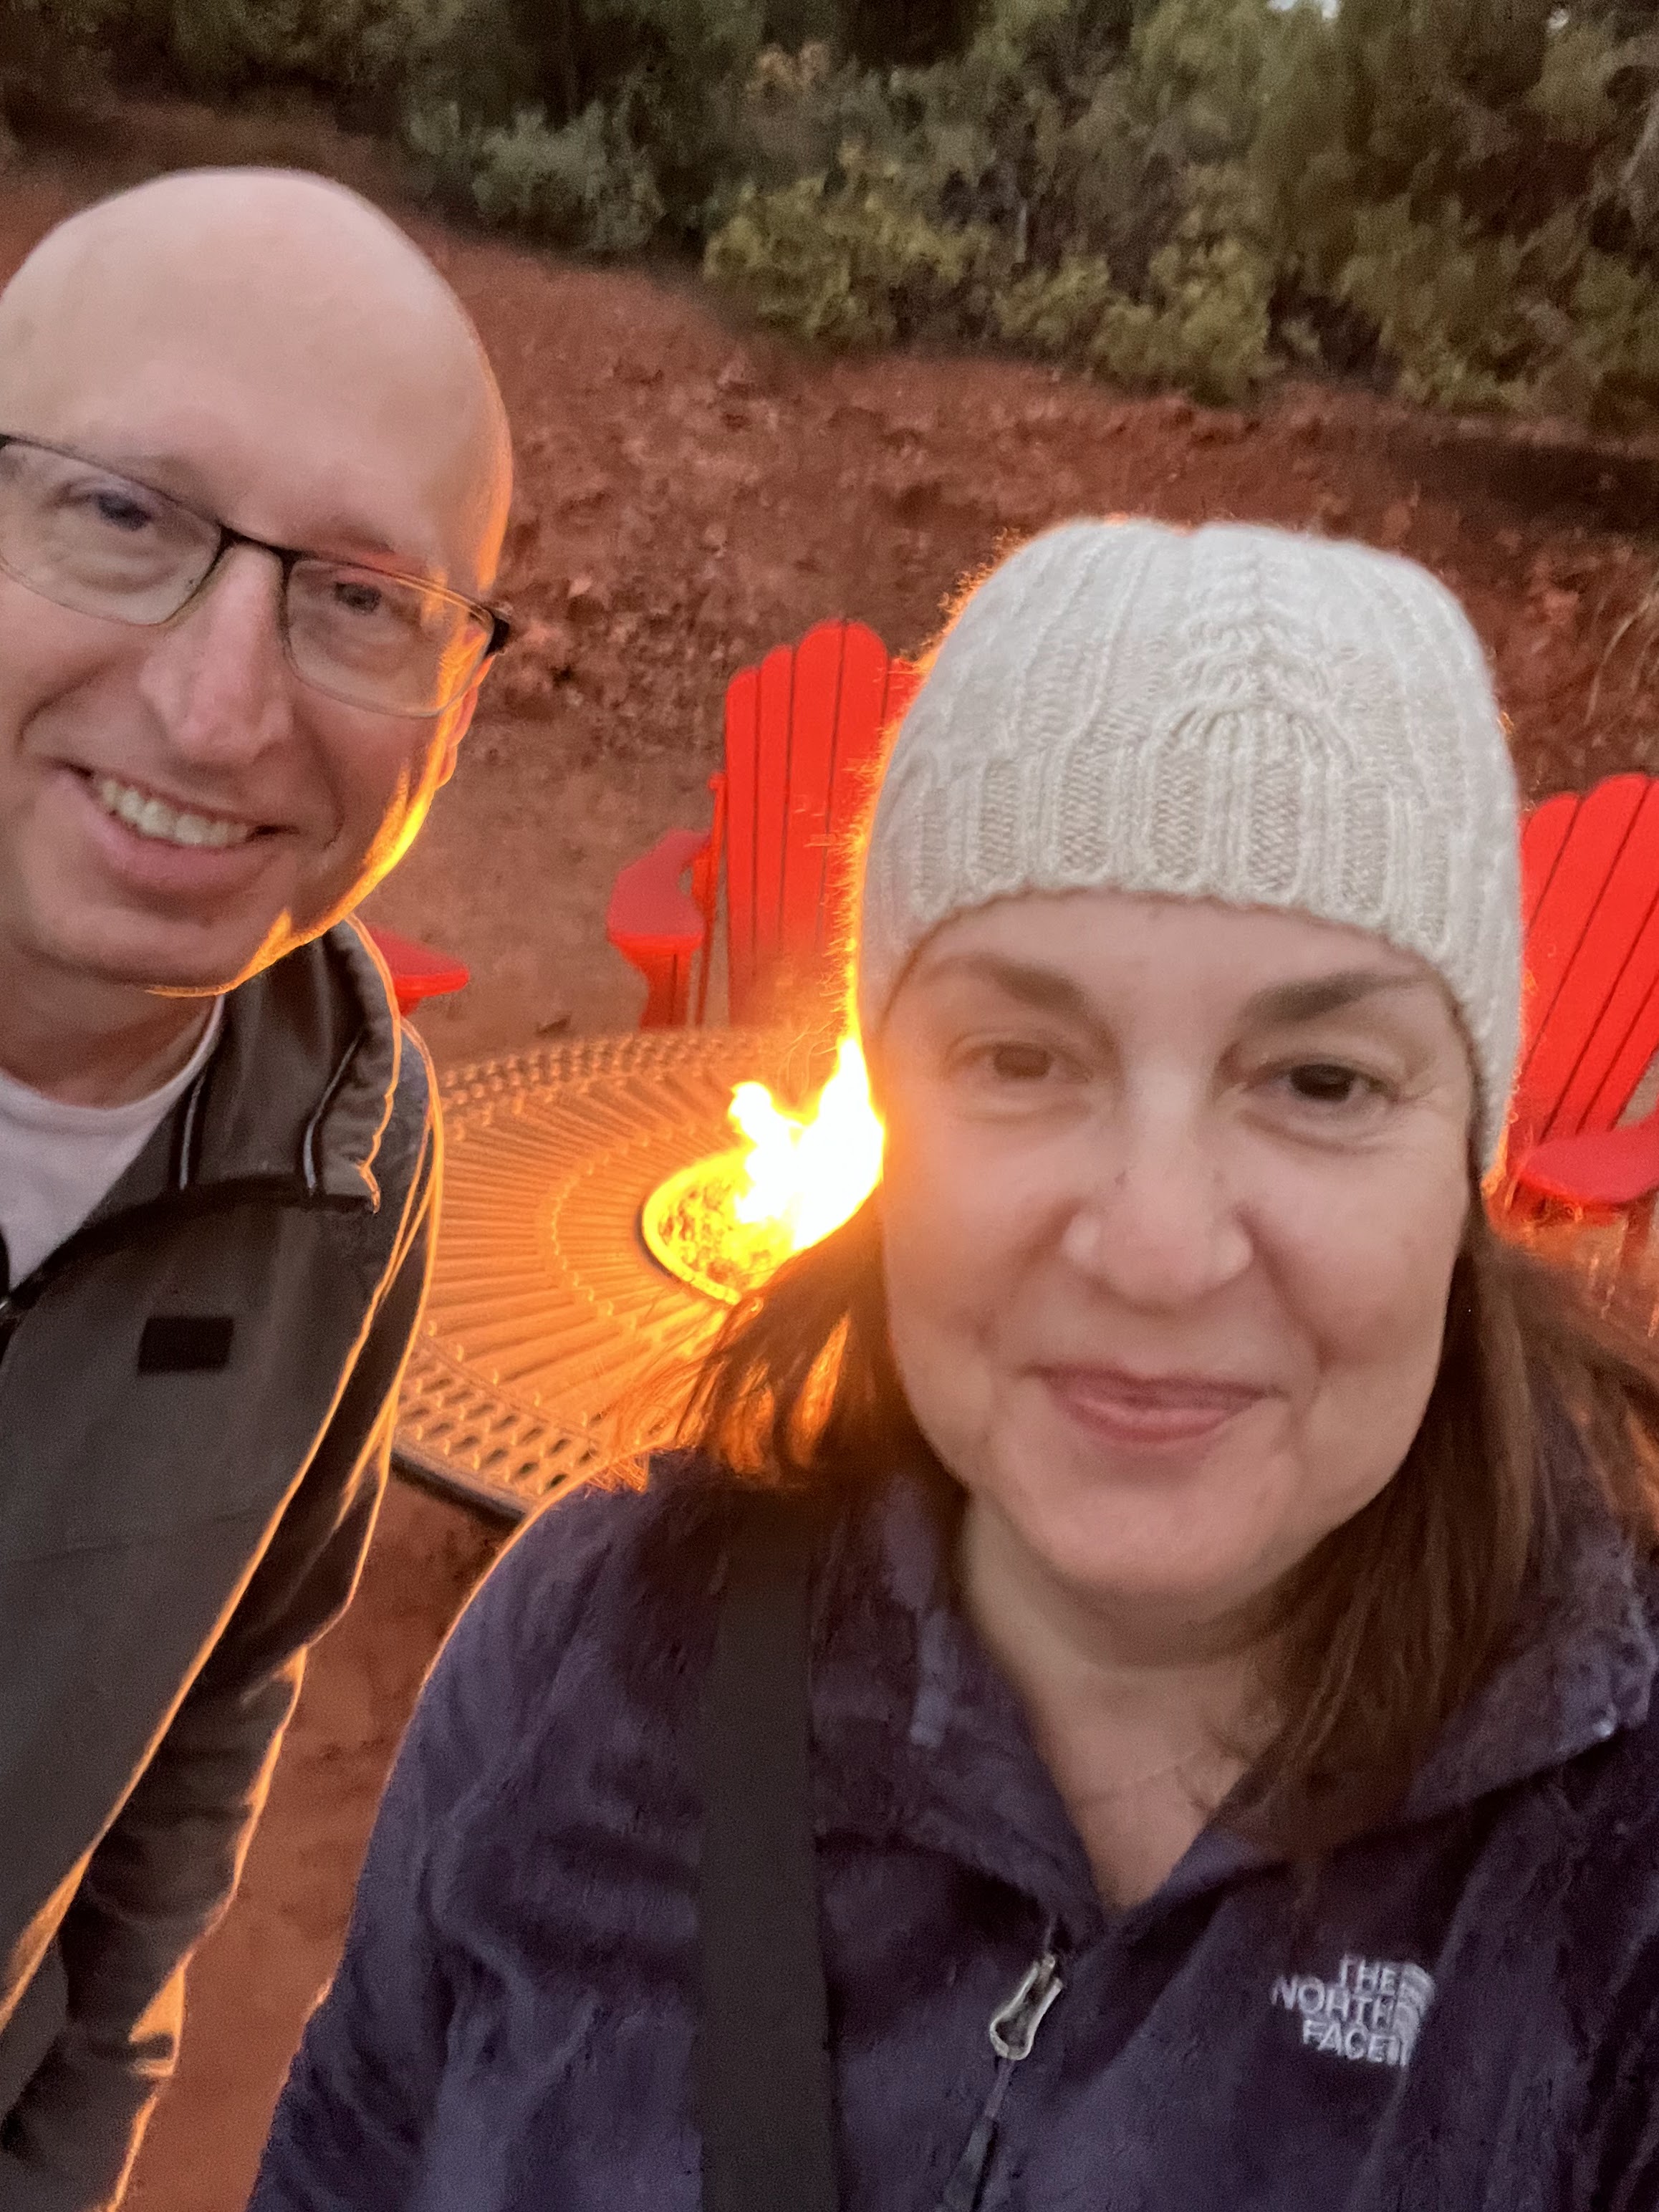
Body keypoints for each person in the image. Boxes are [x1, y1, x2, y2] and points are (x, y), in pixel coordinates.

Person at [254, 521, 1659, 2212]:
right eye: (1019, 1055)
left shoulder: (1613, 1887)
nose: (1156, 1246)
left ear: (1468, 1171)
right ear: (883, 1118)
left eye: (1322, 1081)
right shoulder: (584, 1651)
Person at [0, 168, 511, 2208]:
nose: (221, 711)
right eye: (123, 514)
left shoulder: (346, 1158)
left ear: (455, 714)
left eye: (361, 599)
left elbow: (196, 1752)